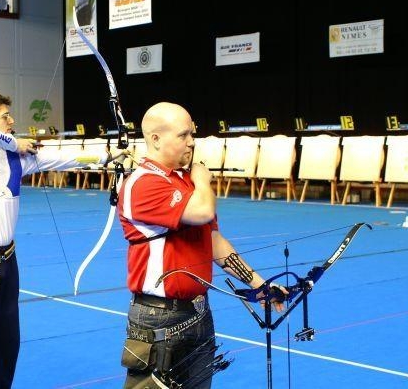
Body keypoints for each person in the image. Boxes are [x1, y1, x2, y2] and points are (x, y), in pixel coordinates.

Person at [0, 91, 126, 389]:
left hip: (6, 259)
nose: (12, 121)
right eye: (6, 116)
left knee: (8, 338)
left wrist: (108, 155)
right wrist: (16, 142)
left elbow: (61, 157)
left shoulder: (13, 158)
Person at [117, 102, 287, 389]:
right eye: (183, 135)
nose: (191, 142)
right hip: (159, 319)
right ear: (155, 139)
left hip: (198, 312)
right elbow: (203, 212)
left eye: (192, 135)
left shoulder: (186, 182)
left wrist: (260, 286)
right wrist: (200, 178)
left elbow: (214, 241)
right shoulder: (142, 183)